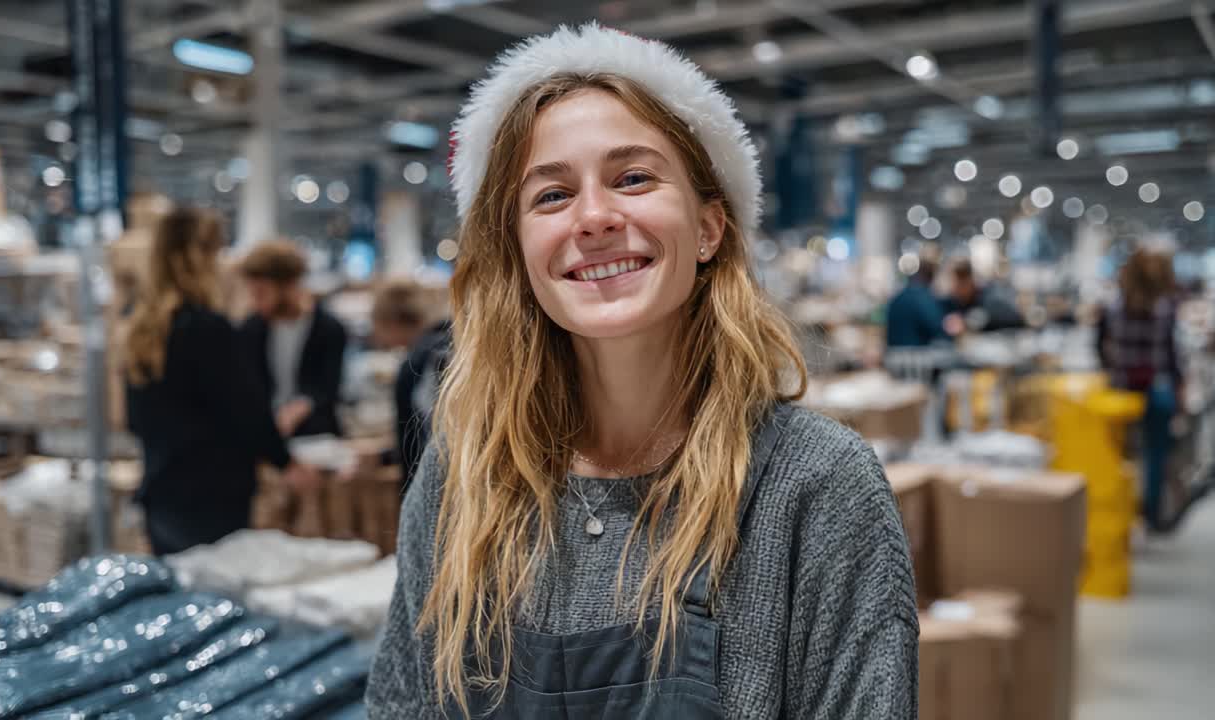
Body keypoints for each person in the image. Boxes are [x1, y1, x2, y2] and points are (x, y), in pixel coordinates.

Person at [367, 24, 916, 719]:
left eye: (633, 178)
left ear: (711, 227)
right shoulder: (464, 477)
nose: (594, 216)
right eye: (551, 195)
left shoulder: (813, 487)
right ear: (518, 250)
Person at [123, 208, 320, 555]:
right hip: (210, 500)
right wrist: (285, 462)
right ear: (201, 258)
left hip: (160, 495)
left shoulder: (141, 330)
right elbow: (246, 409)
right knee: (214, 602)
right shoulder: (207, 329)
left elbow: (134, 421)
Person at [1097, 248, 1183, 532]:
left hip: (1122, 391)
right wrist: (1180, 389)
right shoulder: (1166, 307)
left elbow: (1100, 347)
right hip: (1157, 388)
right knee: (1156, 454)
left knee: (1121, 454)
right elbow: (1172, 355)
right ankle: (1151, 515)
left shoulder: (1113, 306)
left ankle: (1121, 512)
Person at [237, 240, 348, 438]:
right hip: (266, 436)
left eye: (261, 293)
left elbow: (329, 388)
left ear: (289, 285)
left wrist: (297, 409)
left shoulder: (330, 328)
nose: (255, 302)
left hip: (318, 437)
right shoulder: (251, 328)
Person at [370, 279, 453, 485]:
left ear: (391, 323)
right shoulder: (456, 338)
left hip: (435, 483)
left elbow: (413, 444)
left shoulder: (415, 364)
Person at [886, 249, 951, 348]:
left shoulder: (898, 297)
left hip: (893, 355)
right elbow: (937, 327)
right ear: (932, 276)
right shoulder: (923, 298)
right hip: (916, 357)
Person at [942, 258, 1025, 333]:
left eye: (957, 285)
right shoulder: (953, 301)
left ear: (968, 281)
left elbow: (1016, 319)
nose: (952, 290)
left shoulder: (990, 298)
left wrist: (967, 323)